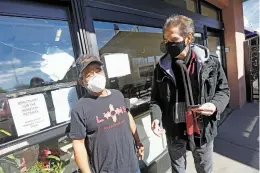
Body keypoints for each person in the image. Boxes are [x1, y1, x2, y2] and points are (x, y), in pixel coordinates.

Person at [150, 15, 230, 173]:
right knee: (178, 170)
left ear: (188, 38)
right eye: (166, 40)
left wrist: (214, 105)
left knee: (204, 170)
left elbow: (224, 90)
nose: (168, 44)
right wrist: (156, 118)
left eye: (173, 39)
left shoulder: (210, 62)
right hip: (174, 131)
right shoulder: (160, 68)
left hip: (202, 129)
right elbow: (155, 99)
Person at [69, 54, 144, 173]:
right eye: (88, 74)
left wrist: (138, 142)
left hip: (132, 166)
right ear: (82, 82)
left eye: (98, 70)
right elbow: (78, 144)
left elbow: (127, 117)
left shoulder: (117, 95)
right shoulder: (80, 109)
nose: (95, 76)